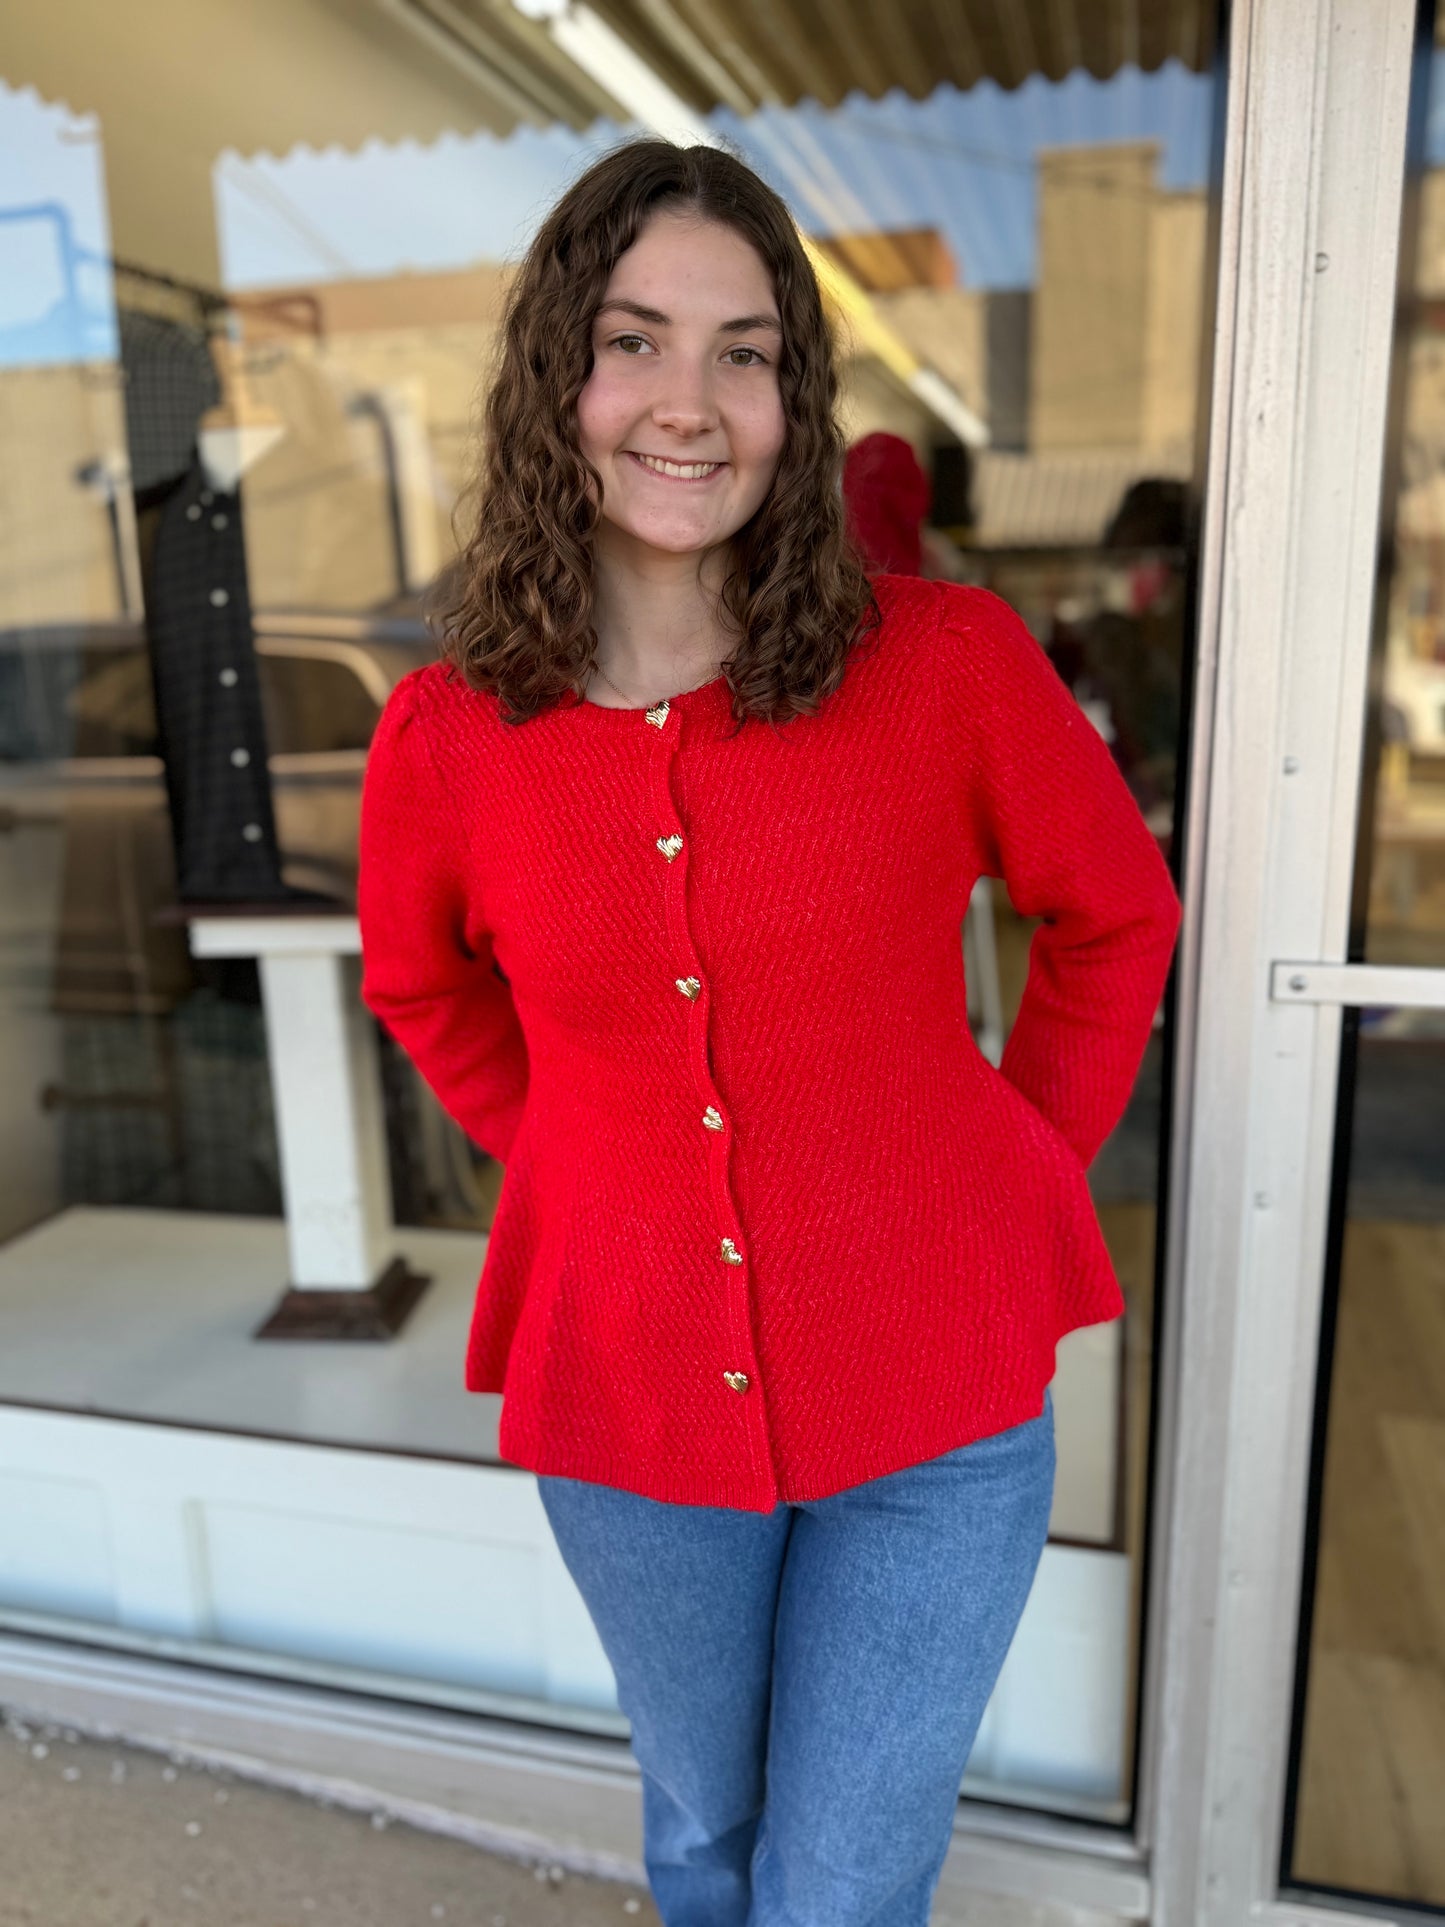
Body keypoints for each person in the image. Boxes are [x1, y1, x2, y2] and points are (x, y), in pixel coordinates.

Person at [356, 137, 1182, 1927]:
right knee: (702, 1839)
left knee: (837, 1885)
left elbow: (1114, 916)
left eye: (744, 353)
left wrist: (1018, 1156)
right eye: (635, 340)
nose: (688, 403)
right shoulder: (443, 735)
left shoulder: (947, 663)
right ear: (555, 380)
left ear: (796, 403)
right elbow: (421, 984)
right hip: (630, 1401)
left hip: (939, 1415)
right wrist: (582, 1156)